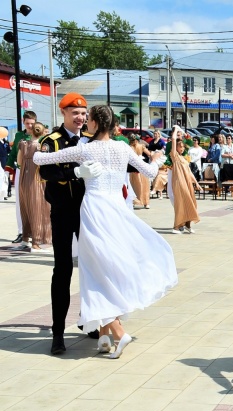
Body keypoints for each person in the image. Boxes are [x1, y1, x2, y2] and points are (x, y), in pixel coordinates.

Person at [33, 104, 175, 359]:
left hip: (94, 211)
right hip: (117, 211)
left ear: (96, 124)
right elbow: (151, 172)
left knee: (95, 270)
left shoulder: (86, 148)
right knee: (111, 265)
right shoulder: (122, 147)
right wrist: (156, 158)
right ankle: (104, 334)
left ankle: (115, 332)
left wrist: (75, 169)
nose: (84, 121)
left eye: (87, 119)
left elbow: (38, 159)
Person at [37, 94, 105, 354]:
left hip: (88, 212)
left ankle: (88, 321)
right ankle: (57, 333)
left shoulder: (90, 141)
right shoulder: (52, 142)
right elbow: (45, 172)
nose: (80, 118)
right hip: (64, 212)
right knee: (63, 269)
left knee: (91, 268)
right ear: (63, 113)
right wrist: (74, 172)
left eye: (83, 113)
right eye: (75, 112)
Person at [17, 122, 52, 252]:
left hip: (24, 180)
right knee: (38, 209)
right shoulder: (42, 147)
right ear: (43, 132)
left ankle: (25, 239)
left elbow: (19, 162)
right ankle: (37, 242)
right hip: (37, 180)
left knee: (25, 208)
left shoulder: (23, 144)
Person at [6, 110, 37, 244]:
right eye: (27, 123)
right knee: (20, 202)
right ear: (24, 122)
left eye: (32, 123)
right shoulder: (19, 135)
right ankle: (21, 232)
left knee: (35, 201)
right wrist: (7, 169)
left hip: (36, 172)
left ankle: (36, 232)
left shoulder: (41, 135)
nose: (30, 126)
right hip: (20, 170)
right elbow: (13, 153)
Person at [166, 128, 200, 234]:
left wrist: (197, 183)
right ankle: (176, 226)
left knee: (191, 202)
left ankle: (187, 225)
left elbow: (189, 172)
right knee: (181, 203)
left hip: (187, 182)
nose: (181, 148)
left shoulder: (184, 159)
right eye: (179, 147)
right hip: (179, 182)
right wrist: (176, 130)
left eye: (182, 147)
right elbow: (173, 140)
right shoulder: (174, 156)